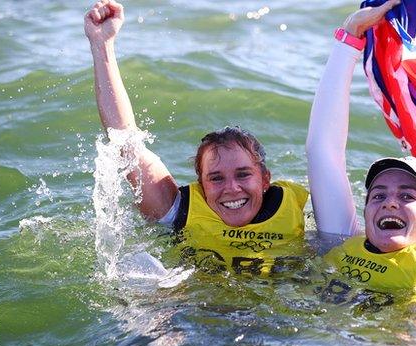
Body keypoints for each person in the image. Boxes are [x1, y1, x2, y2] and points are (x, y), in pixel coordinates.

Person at [84, 0, 308, 276]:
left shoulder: (297, 210)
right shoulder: (180, 211)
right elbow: (125, 142)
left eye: (243, 174)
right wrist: (102, 45)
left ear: (264, 179)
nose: (231, 188)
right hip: (194, 314)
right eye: (215, 178)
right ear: (200, 185)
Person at [307, 0, 416, 292]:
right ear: (364, 214)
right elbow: (321, 152)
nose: (390, 202)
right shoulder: (340, 243)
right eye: (377, 196)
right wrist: (350, 34)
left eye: (407, 196)